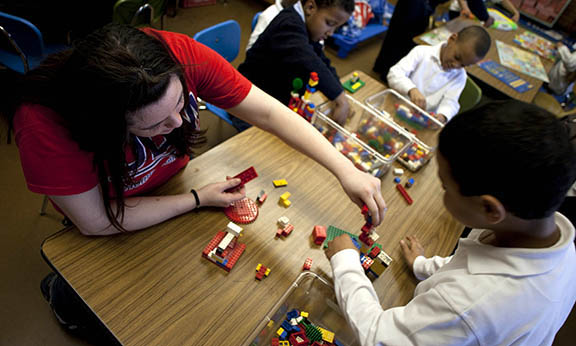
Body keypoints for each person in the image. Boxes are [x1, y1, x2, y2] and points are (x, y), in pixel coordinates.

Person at [0, 23, 386, 342]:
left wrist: (345, 168)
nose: (181, 124)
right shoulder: (43, 123)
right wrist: (197, 198)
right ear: (105, 124)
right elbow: (97, 221)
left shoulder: (172, 58)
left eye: (181, 103)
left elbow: (268, 112)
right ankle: (62, 298)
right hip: (103, 212)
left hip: (170, 186)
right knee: (97, 287)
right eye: (155, 125)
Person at [325, 100, 576, 345]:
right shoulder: (547, 237)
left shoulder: (469, 307)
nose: (441, 193)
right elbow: (477, 262)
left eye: (445, 187)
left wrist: (345, 261)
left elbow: (377, 336)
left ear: (490, 208)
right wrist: (423, 265)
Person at [236, 0, 353, 128]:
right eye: (330, 24)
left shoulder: (308, 29)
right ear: (310, 7)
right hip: (250, 100)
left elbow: (320, 60)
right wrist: (340, 98)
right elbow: (309, 61)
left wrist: (340, 92)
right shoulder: (287, 25)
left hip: (279, 97)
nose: (331, 32)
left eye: (336, 27)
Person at [387, 25, 491, 123]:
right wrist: (411, 89)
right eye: (457, 57)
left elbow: (451, 102)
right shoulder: (421, 52)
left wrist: (443, 116)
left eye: (463, 65)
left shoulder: (460, 77)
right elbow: (394, 74)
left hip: (421, 121)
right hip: (395, 106)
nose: (456, 65)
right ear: (452, 39)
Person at [372, 0, 491, 80]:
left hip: (418, 4)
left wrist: (464, 7)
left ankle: (382, 67)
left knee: (398, 32)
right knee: (405, 37)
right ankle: (388, 73)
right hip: (417, 4)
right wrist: (485, 17)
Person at [448, 0, 520, 23]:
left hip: (472, 13)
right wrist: (465, 9)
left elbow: (502, 1)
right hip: (457, 11)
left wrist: (515, 12)